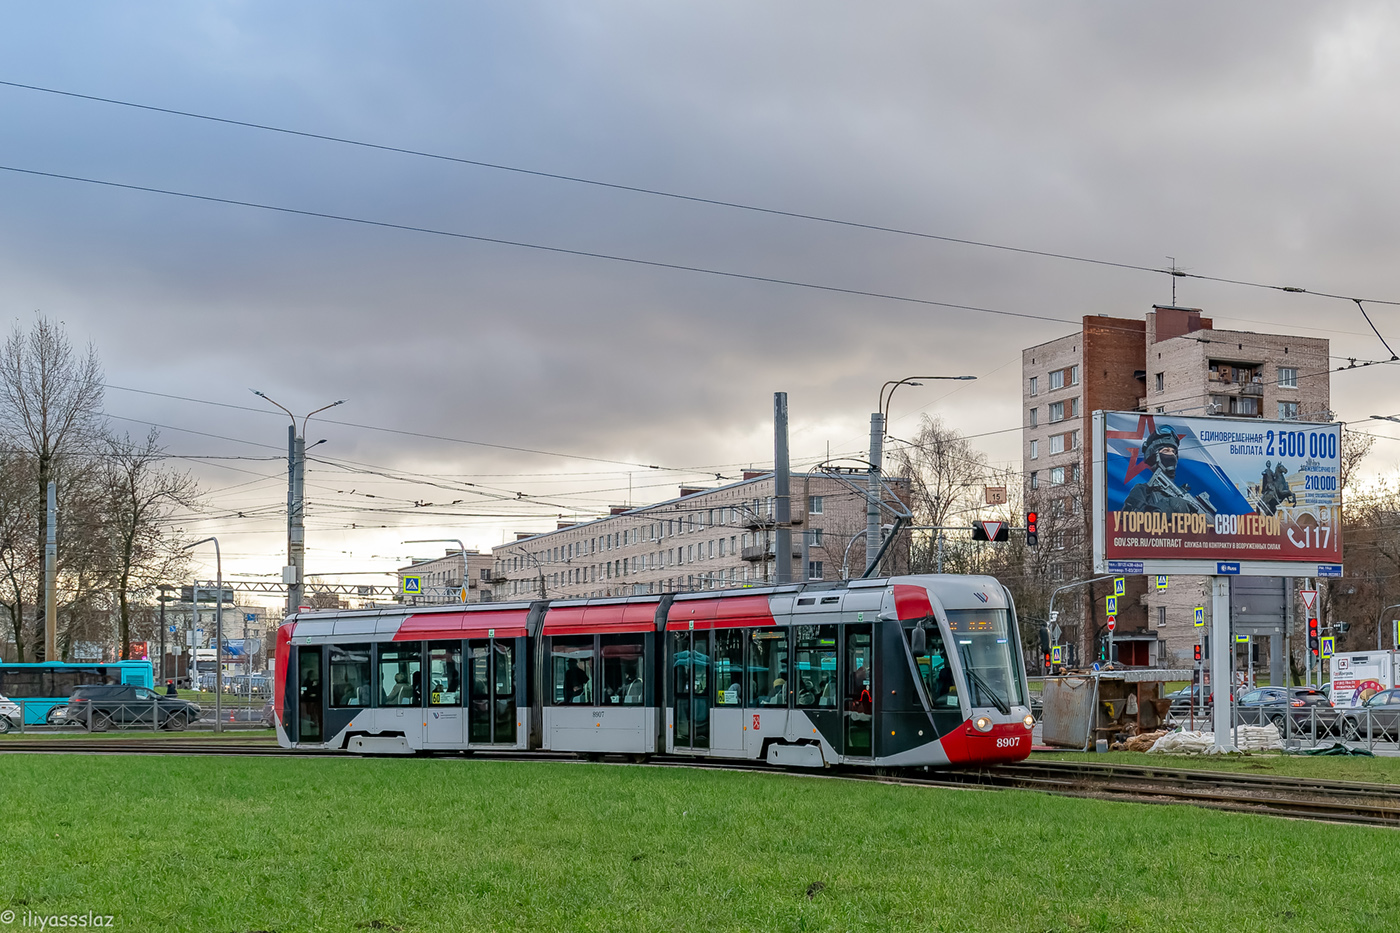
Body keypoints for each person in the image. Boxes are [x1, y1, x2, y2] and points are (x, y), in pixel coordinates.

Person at [1122, 424, 1213, 516]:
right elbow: (1128, 521)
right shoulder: (1143, 491)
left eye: (1173, 452)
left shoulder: (1183, 495)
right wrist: (1168, 507)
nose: (1171, 455)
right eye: (1166, 451)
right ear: (1154, 456)